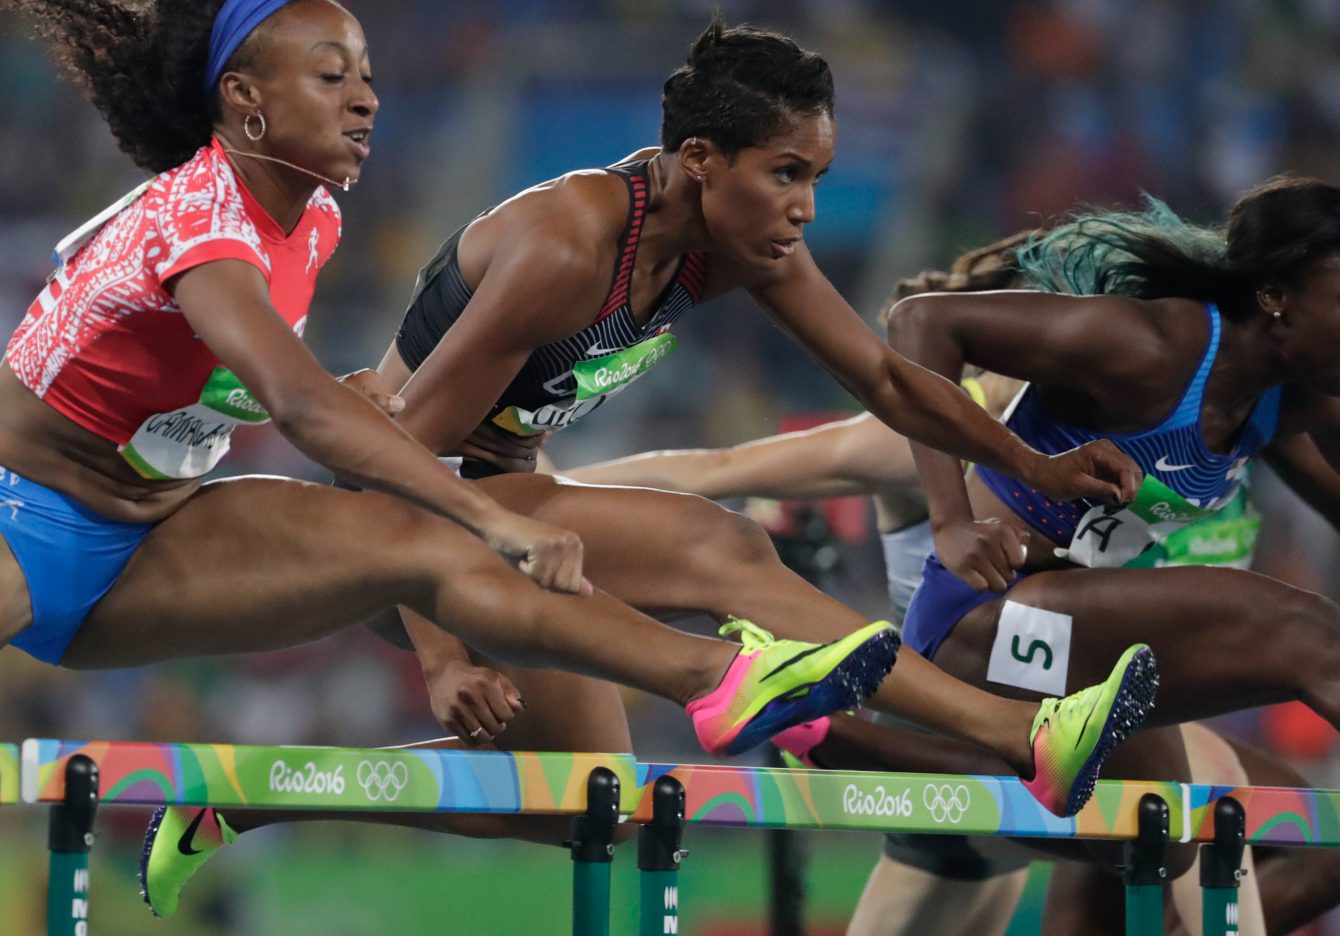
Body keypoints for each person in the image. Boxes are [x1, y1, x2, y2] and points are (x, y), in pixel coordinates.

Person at [139, 18, 1158, 921]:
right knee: (725, 547)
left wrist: (1032, 464)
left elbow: (889, 379)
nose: (805, 207)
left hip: (514, 518)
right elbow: (397, 464)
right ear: (700, 161)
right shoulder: (568, 245)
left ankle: (251, 793)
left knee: (589, 801)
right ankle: (1021, 733)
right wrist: (444, 660)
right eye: (786, 174)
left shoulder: (739, 242)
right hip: (412, 522)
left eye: (816, 177)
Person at [0, 0, 905, 907]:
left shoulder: (313, 223)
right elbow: (301, 406)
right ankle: (721, 677)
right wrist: (489, 521)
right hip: (20, 511)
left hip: (150, 532)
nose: (366, 100)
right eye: (333, 77)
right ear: (245, 99)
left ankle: (253, 794)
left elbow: (233, 384)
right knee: (465, 533)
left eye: (366, 77)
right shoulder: (201, 213)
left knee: (587, 795)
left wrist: (378, 425)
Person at [566, 236, 1340, 935]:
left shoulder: (1215, 415)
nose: (1043, 370)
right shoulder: (924, 427)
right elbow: (714, 469)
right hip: (960, 685)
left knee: (1161, 831)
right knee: (1211, 783)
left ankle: (843, 739)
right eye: (1030, 342)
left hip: (1066, 711)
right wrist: (554, 492)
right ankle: (847, 737)